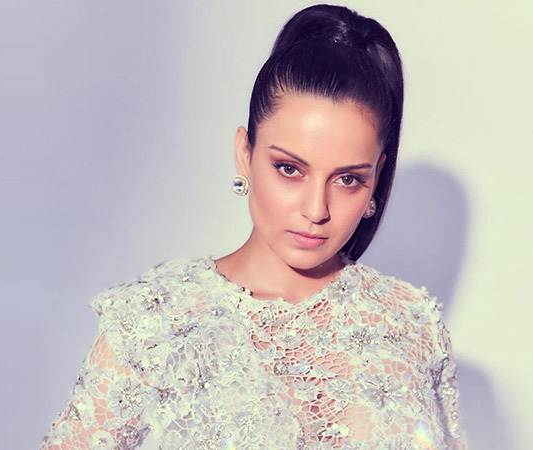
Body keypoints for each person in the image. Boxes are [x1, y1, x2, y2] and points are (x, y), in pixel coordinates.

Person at [40, 4, 467, 449]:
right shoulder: (154, 322)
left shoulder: (413, 324)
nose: (316, 209)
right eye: (290, 169)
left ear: (376, 178)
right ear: (245, 154)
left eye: (347, 179)